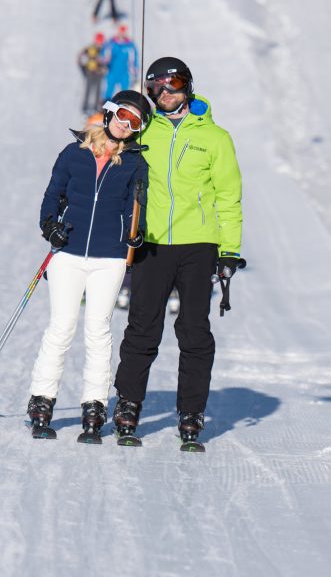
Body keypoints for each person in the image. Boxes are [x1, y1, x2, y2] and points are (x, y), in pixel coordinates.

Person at [112, 56, 244, 447]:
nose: (164, 95)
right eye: (156, 89)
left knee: (193, 329)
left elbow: (228, 196)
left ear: (186, 86)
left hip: (197, 245)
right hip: (151, 243)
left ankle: (191, 410)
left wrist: (229, 249)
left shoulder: (215, 138)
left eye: (172, 86)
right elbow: (104, 139)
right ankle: (129, 403)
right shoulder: (142, 129)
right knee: (142, 327)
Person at [26, 90, 152, 440]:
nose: (126, 125)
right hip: (68, 253)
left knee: (98, 331)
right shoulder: (73, 154)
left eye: (136, 123)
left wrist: (136, 233)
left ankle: (94, 407)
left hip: (109, 258)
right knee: (62, 326)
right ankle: (42, 400)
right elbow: (52, 194)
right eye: (123, 116)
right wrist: (49, 224)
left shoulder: (135, 163)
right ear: (109, 112)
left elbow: (135, 206)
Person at [101, 24, 139, 102]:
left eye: (124, 32)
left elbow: (134, 58)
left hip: (124, 72)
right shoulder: (111, 43)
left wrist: (135, 69)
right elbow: (104, 53)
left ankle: (123, 104)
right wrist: (104, 61)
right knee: (109, 89)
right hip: (112, 71)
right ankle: (105, 105)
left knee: (125, 91)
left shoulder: (130, 45)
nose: (122, 34)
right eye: (121, 32)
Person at [77, 33, 108, 114]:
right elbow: (81, 57)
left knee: (98, 90)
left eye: (101, 42)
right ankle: (85, 106)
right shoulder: (90, 48)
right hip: (90, 72)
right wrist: (83, 68)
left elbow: (106, 62)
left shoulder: (104, 50)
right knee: (88, 90)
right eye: (99, 41)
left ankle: (95, 107)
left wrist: (104, 69)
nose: (100, 43)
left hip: (98, 74)